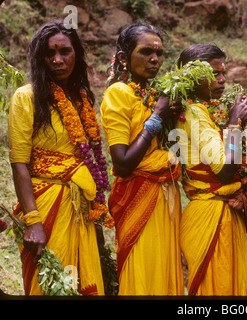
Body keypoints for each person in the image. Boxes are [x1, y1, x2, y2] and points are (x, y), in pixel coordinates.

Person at [8, 21, 107, 295]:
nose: (57, 60)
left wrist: (96, 216)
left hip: (81, 211)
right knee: (51, 288)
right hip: (45, 206)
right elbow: (19, 163)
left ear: (77, 54)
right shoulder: (25, 97)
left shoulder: (83, 100)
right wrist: (33, 220)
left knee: (82, 284)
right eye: (49, 53)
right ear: (39, 57)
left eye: (65, 51)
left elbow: (92, 161)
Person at [100, 23, 184, 295]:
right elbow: (122, 163)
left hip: (166, 196)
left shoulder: (155, 95)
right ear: (124, 58)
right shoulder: (118, 94)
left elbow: (176, 150)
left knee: (164, 271)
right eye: (145, 52)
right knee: (145, 273)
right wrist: (157, 117)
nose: (155, 59)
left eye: (159, 54)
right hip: (138, 197)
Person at [175, 44, 247, 295]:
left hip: (221, 210)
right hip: (209, 214)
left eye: (223, 73)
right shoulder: (194, 113)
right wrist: (234, 122)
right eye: (214, 74)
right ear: (191, 76)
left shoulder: (205, 111)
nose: (222, 80)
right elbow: (223, 170)